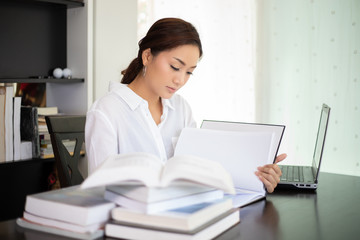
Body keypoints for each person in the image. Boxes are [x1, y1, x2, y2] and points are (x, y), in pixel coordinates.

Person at [85, 17, 286, 193]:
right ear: (147, 56)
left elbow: (198, 168)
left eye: (189, 72)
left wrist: (256, 173)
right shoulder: (106, 111)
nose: (180, 80)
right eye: (175, 67)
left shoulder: (180, 108)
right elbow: (100, 189)